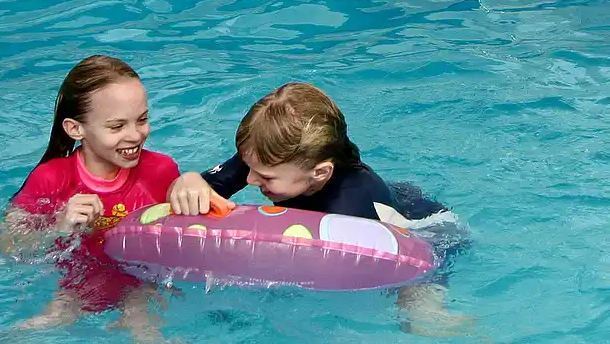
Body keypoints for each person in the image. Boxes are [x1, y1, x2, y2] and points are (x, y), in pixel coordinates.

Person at [168, 82, 472, 337]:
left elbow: (373, 265)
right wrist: (190, 181)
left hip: (425, 231)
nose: (249, 179)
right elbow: (209, 185)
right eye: (247, 167)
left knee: (415, 313)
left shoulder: (350, 206)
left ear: (320, 173)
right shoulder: (266, 160)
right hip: (376, 199)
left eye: (265, 177)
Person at [0, 55, 180, 342]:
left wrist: (195, 185)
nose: (135, 135)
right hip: (74, 287)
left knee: (147, 330)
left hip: (143, 285)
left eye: (142, 120)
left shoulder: (161, 170)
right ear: (75, 128)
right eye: (117, 126)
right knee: (39, 326)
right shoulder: (50, 179)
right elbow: (6, 248)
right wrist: (58, 225)